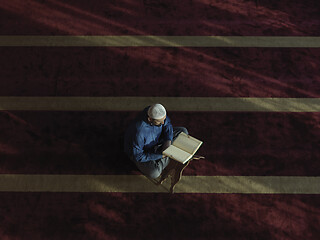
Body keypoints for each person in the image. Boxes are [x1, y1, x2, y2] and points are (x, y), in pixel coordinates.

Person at [124, 103, 188, 179]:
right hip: (144, 151)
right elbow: (138, 156)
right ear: (150, 119)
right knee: (154, 173)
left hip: (157, 140)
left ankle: (164, 156)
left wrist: (168, 140)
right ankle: (166, 157)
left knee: (183, 131)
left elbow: (167, 125)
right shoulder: (139, 132)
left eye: (163, 119)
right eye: (160, 122)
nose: (163, 123)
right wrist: (161, 155)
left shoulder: (154, 111)